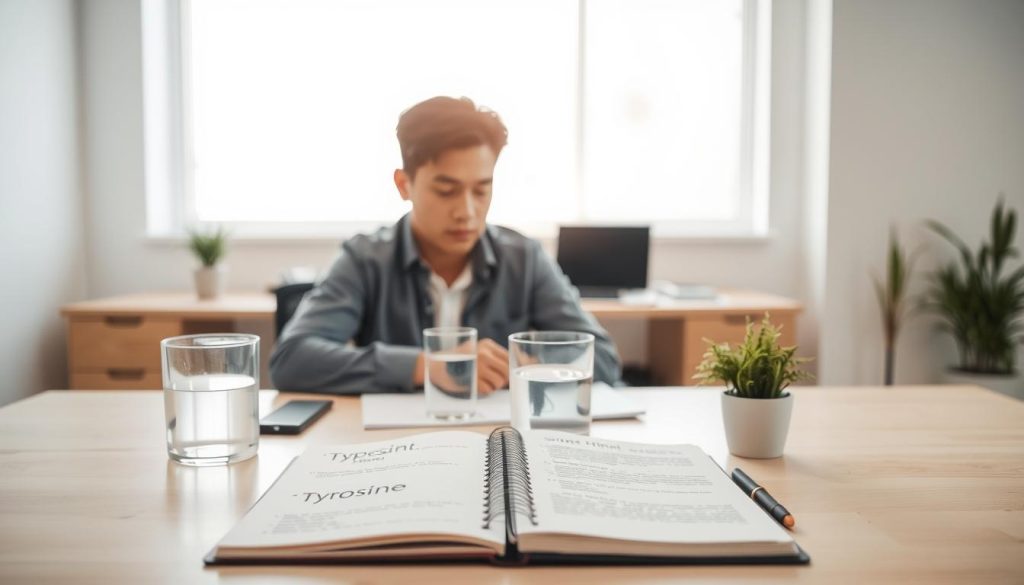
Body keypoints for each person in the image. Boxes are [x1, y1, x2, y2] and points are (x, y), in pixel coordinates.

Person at [270, 96, 621, 394]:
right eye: (446, 190)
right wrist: (427, 366)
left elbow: (603, 360)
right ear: (404, 184)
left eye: (481, 190)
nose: (467, 212)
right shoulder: (365, 258)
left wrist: (516, 362)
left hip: (497, 444)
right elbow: (291, 359)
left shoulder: (523, 258)